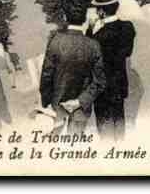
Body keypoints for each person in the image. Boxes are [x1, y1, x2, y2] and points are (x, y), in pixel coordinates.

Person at [39, 7, 106, 135]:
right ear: (85, 19)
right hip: (80, 109)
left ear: (65, 18)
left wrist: (46, 102)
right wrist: (79, 101)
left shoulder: (55, 41)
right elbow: (100, 82)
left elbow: (46, 75)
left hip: (56, 106)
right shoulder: (94, 45)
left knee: (51, 149)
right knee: (75, 149)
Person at [86, 0, 136, 141]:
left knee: (105, 128)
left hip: (102, 88)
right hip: (119, 83)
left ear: (101, 11)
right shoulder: (128, 27)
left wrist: (90, 29)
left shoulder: (98, 37)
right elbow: (127, 53)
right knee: (119, 121)